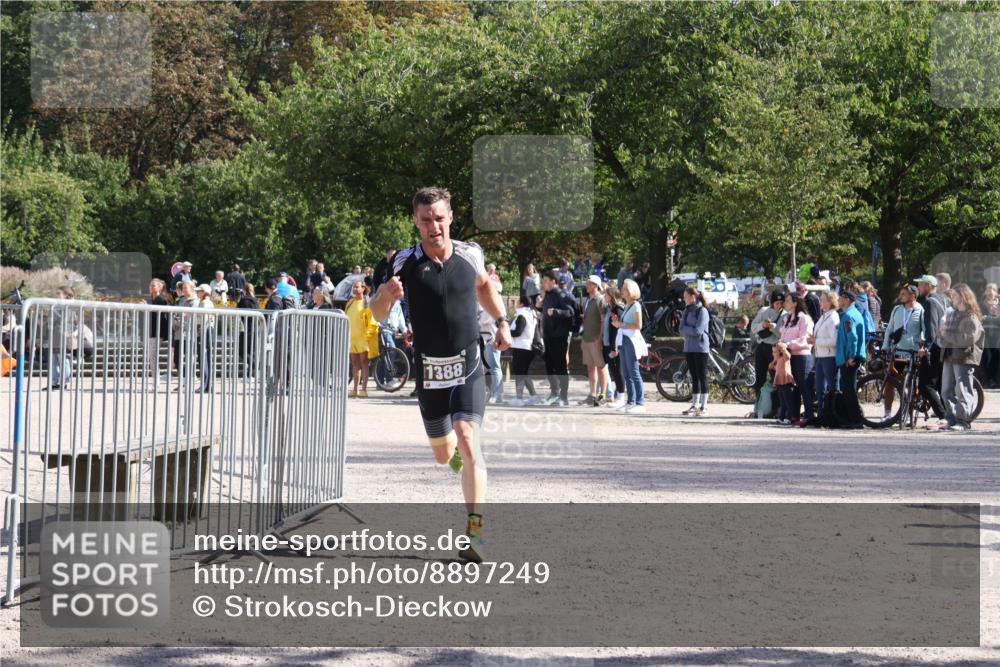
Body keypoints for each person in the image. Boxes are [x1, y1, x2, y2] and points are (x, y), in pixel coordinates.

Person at [369, 186, 510, 564]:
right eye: (426, 220)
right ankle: (465, 468)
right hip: (429, 373)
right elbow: (377, 314)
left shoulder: (470, 254)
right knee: (444, 453)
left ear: (450, 218)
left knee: (468, 440)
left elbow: (484, 287)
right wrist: (387, 294)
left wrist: (501, 322)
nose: (435, 226)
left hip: (468, 365)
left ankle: (475, 533)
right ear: (416, 222)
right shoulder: (403, 263)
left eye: (440, 218)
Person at [939, 284, 985, 431]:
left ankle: (963, 421)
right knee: (946, 390)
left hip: (964, 357)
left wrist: (947, 335)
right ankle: (952, 419)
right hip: (949, 355)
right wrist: (941, 335)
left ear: (963, 297)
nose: (952, 298)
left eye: (955, 295)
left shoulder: (972, 317)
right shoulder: (952, 314)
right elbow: (943, 337)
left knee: (963, 390)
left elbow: (967, 339)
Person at [882, 284, 925, 422]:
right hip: (898, 350)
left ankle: (907, 412)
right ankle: (887, 413)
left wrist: (922, 344)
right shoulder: (897, 309)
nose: (900, 296)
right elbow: (889, 329)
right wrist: (885, 346)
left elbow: (924, 329)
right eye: (900, 294)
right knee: (891, 381)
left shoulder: (920, 310)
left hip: (912, 351)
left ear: (913, 295)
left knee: (908, 383)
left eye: (904, 294)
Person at [541, 269, 576, 406]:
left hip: (559, 336)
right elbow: (546, 312)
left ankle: (564, 396)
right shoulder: (548, 295)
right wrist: (539, 307)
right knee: (549, 366)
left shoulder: (562, 295)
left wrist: (556, 312)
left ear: (553, 282)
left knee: (560, 366)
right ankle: (554, 393)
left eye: (545, 280)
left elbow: (570, 312)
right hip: (548, 335)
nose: (544, 283)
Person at [611, 278, 647, 413]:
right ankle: (631, 401)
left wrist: (621, 324)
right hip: (624, 340)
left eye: (625, 288)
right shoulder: (627, 306)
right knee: (626, 372)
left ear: (631, 290)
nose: (622, 290)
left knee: (634, 372)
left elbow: (638, 325)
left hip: (631, 341)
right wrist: (618, 322)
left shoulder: (636, 305)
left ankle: (640, 402)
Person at [779, 294, 815, 425]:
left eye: (788, 300)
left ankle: (809, 416)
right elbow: (783, 336)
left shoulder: (804, 319)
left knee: (804, 386)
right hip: (789, 356)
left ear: (795, 303)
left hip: (802, 356)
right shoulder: (788, 319)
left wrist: (788, 344)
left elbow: (805, 338)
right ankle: (794, 416)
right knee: (793, 387)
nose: (785, 302)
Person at [835, 291, 866, 429]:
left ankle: (855, 420)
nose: (838, 300)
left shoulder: (848, 315)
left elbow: (852, 338)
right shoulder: (855, 313)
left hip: (849, 359)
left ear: (846, 300)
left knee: (849, 391)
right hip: (851, 357)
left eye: (840, 298)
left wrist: (851, 356)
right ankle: (853, 419)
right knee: (849, 389)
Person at [750, 291, 788, 401]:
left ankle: (776, 406)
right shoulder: (764, 311)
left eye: (781, 303)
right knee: (760, 377)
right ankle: (759, 405)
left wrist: (774, 328)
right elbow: (753, 327)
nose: (779, 305)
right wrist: (763, 325)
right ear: (772, 303)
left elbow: (784, 334)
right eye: (777, 303)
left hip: (774, 348)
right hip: (761, 346)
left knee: (775, 377)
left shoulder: (785, 315)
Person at [678, 286, 710, 416]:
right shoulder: (686, 310)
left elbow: (699, 330)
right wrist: (689, 329)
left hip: (701, 348)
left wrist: (687, 329)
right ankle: (694, 404)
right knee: (694, 376)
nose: (684, 299)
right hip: (689, 347)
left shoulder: (702, 311)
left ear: (693, 297)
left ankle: (704, 406)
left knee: (702, 376)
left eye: (686, 297)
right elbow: (680, 329)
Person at [809, 290, 840, 423]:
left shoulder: (833, 317)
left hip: (829, 356)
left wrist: (817, 342)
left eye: (822, 299)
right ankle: (822, 415)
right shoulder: (823, 316)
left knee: (832, 387)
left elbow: (835, 341)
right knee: (820, 388)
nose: (819, 302)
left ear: (830, 301)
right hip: (820, 356)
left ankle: (834, 415)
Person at [507, 294, 541, 407]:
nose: (516, 303)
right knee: (524, 373)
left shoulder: (522, 315)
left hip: (522, 347)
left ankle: (519, 398)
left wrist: (506, 332)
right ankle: (534, 395)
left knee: (519, 373)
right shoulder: (531, 314)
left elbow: (518, 332)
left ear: (521, 303)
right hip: (528, 347)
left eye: (517, 301)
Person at [580, 275, 608, 406]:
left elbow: (603, 321)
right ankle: (592, 394)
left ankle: (602, 394)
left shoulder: (600, 300)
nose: (586, 285)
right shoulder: (588, 299)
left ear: (595, 285)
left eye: (589, 283)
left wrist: (600, 338)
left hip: (595, 339)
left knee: (601, 367)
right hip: (587, 338)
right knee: (590, 368)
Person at [45, 287, 77, 391]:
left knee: (63, 361)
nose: (56, 295)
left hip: (62, 338)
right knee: (53, 361)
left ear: (66, 296)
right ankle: (55, 382)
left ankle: (64, 382)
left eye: (59, 293)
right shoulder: (55, 307)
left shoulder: (69, 307)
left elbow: (75, 323)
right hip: (53, 337)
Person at [345, 280, 373, 398]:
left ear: (363, 288)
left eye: (357, 287)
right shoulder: (350, 302)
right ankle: (355, 389)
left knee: (364, 363)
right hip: (352, 337)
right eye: (354, 287)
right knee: (355, 364)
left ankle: (364, 389)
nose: (355, 289)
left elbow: (372, 318)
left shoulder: (367, 302)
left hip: (363, 337)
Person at [172, 281, 200, 391]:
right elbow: (178, 315)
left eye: (185, 288)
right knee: (177, 358)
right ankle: (183, 381)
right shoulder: (182, 300)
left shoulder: (196, 302)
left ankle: (188, 381)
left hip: (189, 334)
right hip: (179, 334)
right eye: (182, 288)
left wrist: (179, 321)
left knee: (189, 359)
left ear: (192, 289)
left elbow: (190, 317)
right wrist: (175, 323)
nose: (183, 290)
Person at [145, 279, 171, 383]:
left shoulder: (162, 300)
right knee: (152, 356)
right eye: (150, 285)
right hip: (150, 330)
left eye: (154, 285)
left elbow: (164, 316)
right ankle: (156, 379)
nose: (151, 287)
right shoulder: (150, 299)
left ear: (159, 287)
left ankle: (156, 381)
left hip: (158, 331)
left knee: (153, 356)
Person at [478, 305, 504, 404]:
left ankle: (497, 394)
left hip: (492, 341)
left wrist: (478, 316)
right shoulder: (483, 309)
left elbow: (482, 321)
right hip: (484, 341)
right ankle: (491, 392)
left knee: (494, 368)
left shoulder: (492, 308)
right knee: (486, 369)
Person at [194, 284, 216, 392]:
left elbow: (203, 319)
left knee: (204, 357)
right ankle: (207, 384)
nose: (197, 293)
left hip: (205, 330)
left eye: (199, 291)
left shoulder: (204, 302)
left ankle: (206, 385)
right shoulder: (207, 302)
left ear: (204, 292)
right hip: (207, 330)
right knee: (205, 357)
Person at [771, 338, 796, 426]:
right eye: (772, 352)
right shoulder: (777, 360)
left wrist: (783, 348)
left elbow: (788, 356)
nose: (773, 354)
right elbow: (773, 367)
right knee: (782, 401)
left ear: (780, 351)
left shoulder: (785, 358)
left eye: (775, 352)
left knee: (788, 400)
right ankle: (781, 417)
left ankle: (789, 418)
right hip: (779, 382)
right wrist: (773, 362)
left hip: (786, 381)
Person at [236, 283, 259, 377]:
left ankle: (254, 366)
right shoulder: (255, 301)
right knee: (251, 351)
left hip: (245, 328)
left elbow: (239, 310)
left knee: (242, 351)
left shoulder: (244, 300)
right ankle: (251, 372)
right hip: (254, 327)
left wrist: (239, 301)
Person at [980, 282, 1000, 388]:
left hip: (997, 333)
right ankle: (989, 379)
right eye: (988, 290)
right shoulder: (981, 304)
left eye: (992, 290)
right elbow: (978, 317)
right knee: (986, 354)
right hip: (985, 332)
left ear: (996, 293)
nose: (990, 292)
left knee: (996, 352)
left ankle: (993, 377)